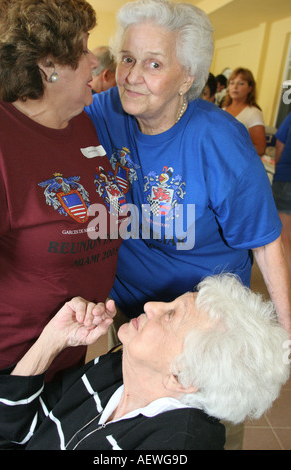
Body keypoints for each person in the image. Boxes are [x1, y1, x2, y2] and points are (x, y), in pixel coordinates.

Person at [85, 0, 291, 346]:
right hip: (129, 308)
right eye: (128, 59)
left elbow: (266, 246)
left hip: (200, 321)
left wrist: (286, 336)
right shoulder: (107, 111)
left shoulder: (219, 140)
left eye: (154, 64)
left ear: (187, 78)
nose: (133, 77)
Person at [0, 274, 289, 450]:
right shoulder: (111, 372)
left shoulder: (178, 444)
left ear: (182, 377)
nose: (151, 306)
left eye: (170, 315)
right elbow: (16, 424)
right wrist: (52, 340)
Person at [0, 0, 125, 381]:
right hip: (10, 365)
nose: (93, 63)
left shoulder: (82, 123)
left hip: (68, 353)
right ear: (48, 65)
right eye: (83, 48)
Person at [223, 67, 266, 156]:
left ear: (250, 88)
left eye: (241, 83)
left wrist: (234, 151)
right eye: (232, 83)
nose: (235, 87)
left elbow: (260, 149)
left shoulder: (254, 113)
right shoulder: (223, 110)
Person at [272, 112, 291, 278]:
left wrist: (279, 170)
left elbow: (280, 144)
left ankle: (286, 285)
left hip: (287, 179)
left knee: (284, 238)